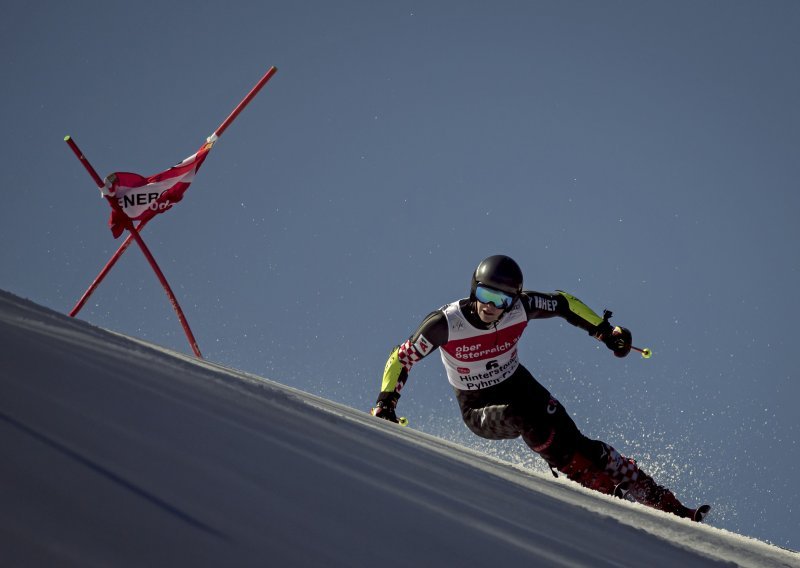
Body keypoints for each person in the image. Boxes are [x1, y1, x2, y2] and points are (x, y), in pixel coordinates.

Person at [370, 254, 709, 521]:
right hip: (477, 408)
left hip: (518, 384)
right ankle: (599, 487)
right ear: (474, 289)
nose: (491, 307)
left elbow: (564, 303)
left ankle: (664, 501)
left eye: (501, 301)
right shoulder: (446, 323)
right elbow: (401, 357)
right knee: (524, 417)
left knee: (579, 442)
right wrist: (387, 402)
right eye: (486, 295)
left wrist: (605, 332)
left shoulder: (522, 306)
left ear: (512, 300)